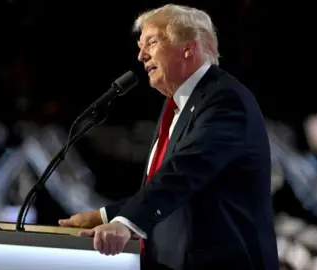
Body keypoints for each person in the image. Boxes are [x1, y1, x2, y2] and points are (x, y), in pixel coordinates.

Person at [58, 4, 278, 270]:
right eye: (140, 45)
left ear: (188, 47)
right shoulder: (178, 103)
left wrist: (127, 222)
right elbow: (167, 186)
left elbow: (184, 171)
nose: (140, 56)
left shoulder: (226, 100)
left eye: (151, 42)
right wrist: (104, 215)